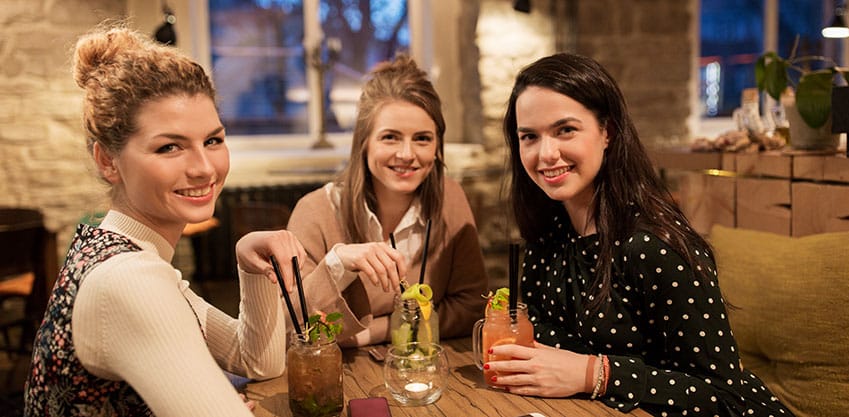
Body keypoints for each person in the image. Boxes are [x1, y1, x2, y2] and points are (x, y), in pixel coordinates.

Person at [485, 53, 794, 416]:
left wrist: (594, 373)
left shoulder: (653, 245)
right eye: (529, 137)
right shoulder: (549, 233)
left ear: (607, 132)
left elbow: (723, 395)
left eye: (565, 130)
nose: (546, 153)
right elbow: (540, 327)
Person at [24, 24, 306, 417]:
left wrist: (249, 261)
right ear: (108, 161)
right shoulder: (129, 281)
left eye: (212, 140)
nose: (204, 168)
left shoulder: (125, 253)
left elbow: (255, 362)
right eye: (169, 147)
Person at [286, 54, 488, 347]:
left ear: (437, 147)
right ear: (364, 142)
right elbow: (293, 325)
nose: (407, 154)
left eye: (422, 139)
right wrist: (338, 263)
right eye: (390, 137)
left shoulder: (450, 197)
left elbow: (471, 307)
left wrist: (379, 330)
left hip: (426, 371)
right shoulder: (315, 211)